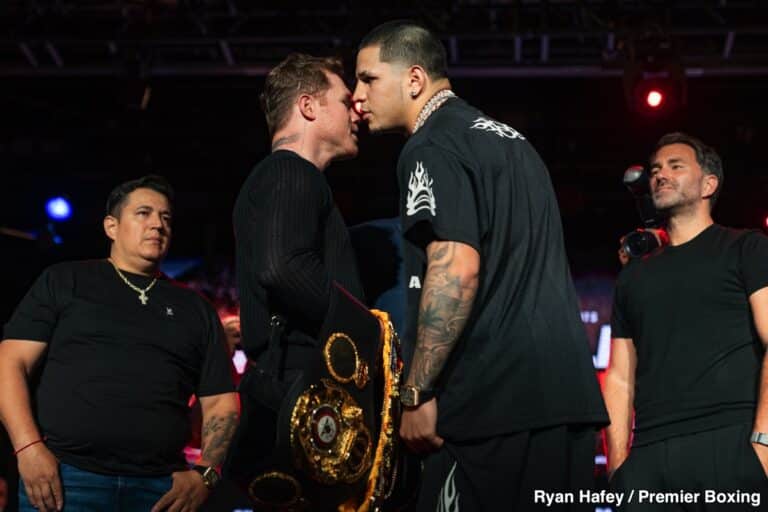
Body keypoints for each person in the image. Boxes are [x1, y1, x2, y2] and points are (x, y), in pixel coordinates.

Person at [353, 20, 609, 510]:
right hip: (564, 408)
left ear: (413, 79)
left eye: (368, 79)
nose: (359, 97)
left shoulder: (429, 145)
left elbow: (456, 268)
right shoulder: (513, 142)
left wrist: (416, 394)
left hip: (491, 413)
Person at [0, 175, 239, 512]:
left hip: (160, 490)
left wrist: (206, 475)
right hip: (66, 479)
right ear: (111, 226)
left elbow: (222, 404)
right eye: (143, 213)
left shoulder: (195, 308)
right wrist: (27, 449)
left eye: (166, 217)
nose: (157, 223)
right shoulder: (65, 281)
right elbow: (9, 363)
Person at [227, 53, 375, 507]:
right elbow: (283, 267)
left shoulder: (284, 178)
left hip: (292, 390)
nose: (358, 112)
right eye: (346, 100)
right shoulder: (289, 171)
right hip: (298, 396)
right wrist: (367, 331)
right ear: (309, 106)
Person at [605, 133, 768, 510]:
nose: (660, 174)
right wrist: (618, 466)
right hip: (647, 455)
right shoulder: (633, 275)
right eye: (656, 169)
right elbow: (619, 375)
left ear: (709, 184)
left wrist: (762, 443)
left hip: (729, 441)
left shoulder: (747, 248)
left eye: (676, 166)